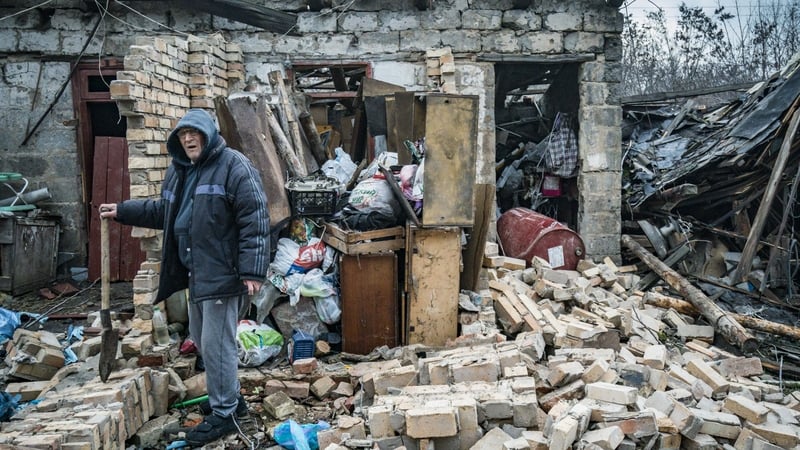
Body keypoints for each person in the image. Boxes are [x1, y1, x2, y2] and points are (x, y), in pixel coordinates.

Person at [100, 108, 270, 445]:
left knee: (215, 344)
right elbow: (164, 212)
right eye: (183, 134)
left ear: (208, 135)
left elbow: (256, 218)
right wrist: (123, 210)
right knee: (202, 337)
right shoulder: (179, 172)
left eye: (195, 133)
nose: (189, 139)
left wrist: (253, 269)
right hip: (196, 272)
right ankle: (228, 399)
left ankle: (225, 413)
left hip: (224, 272)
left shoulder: (234, 166)